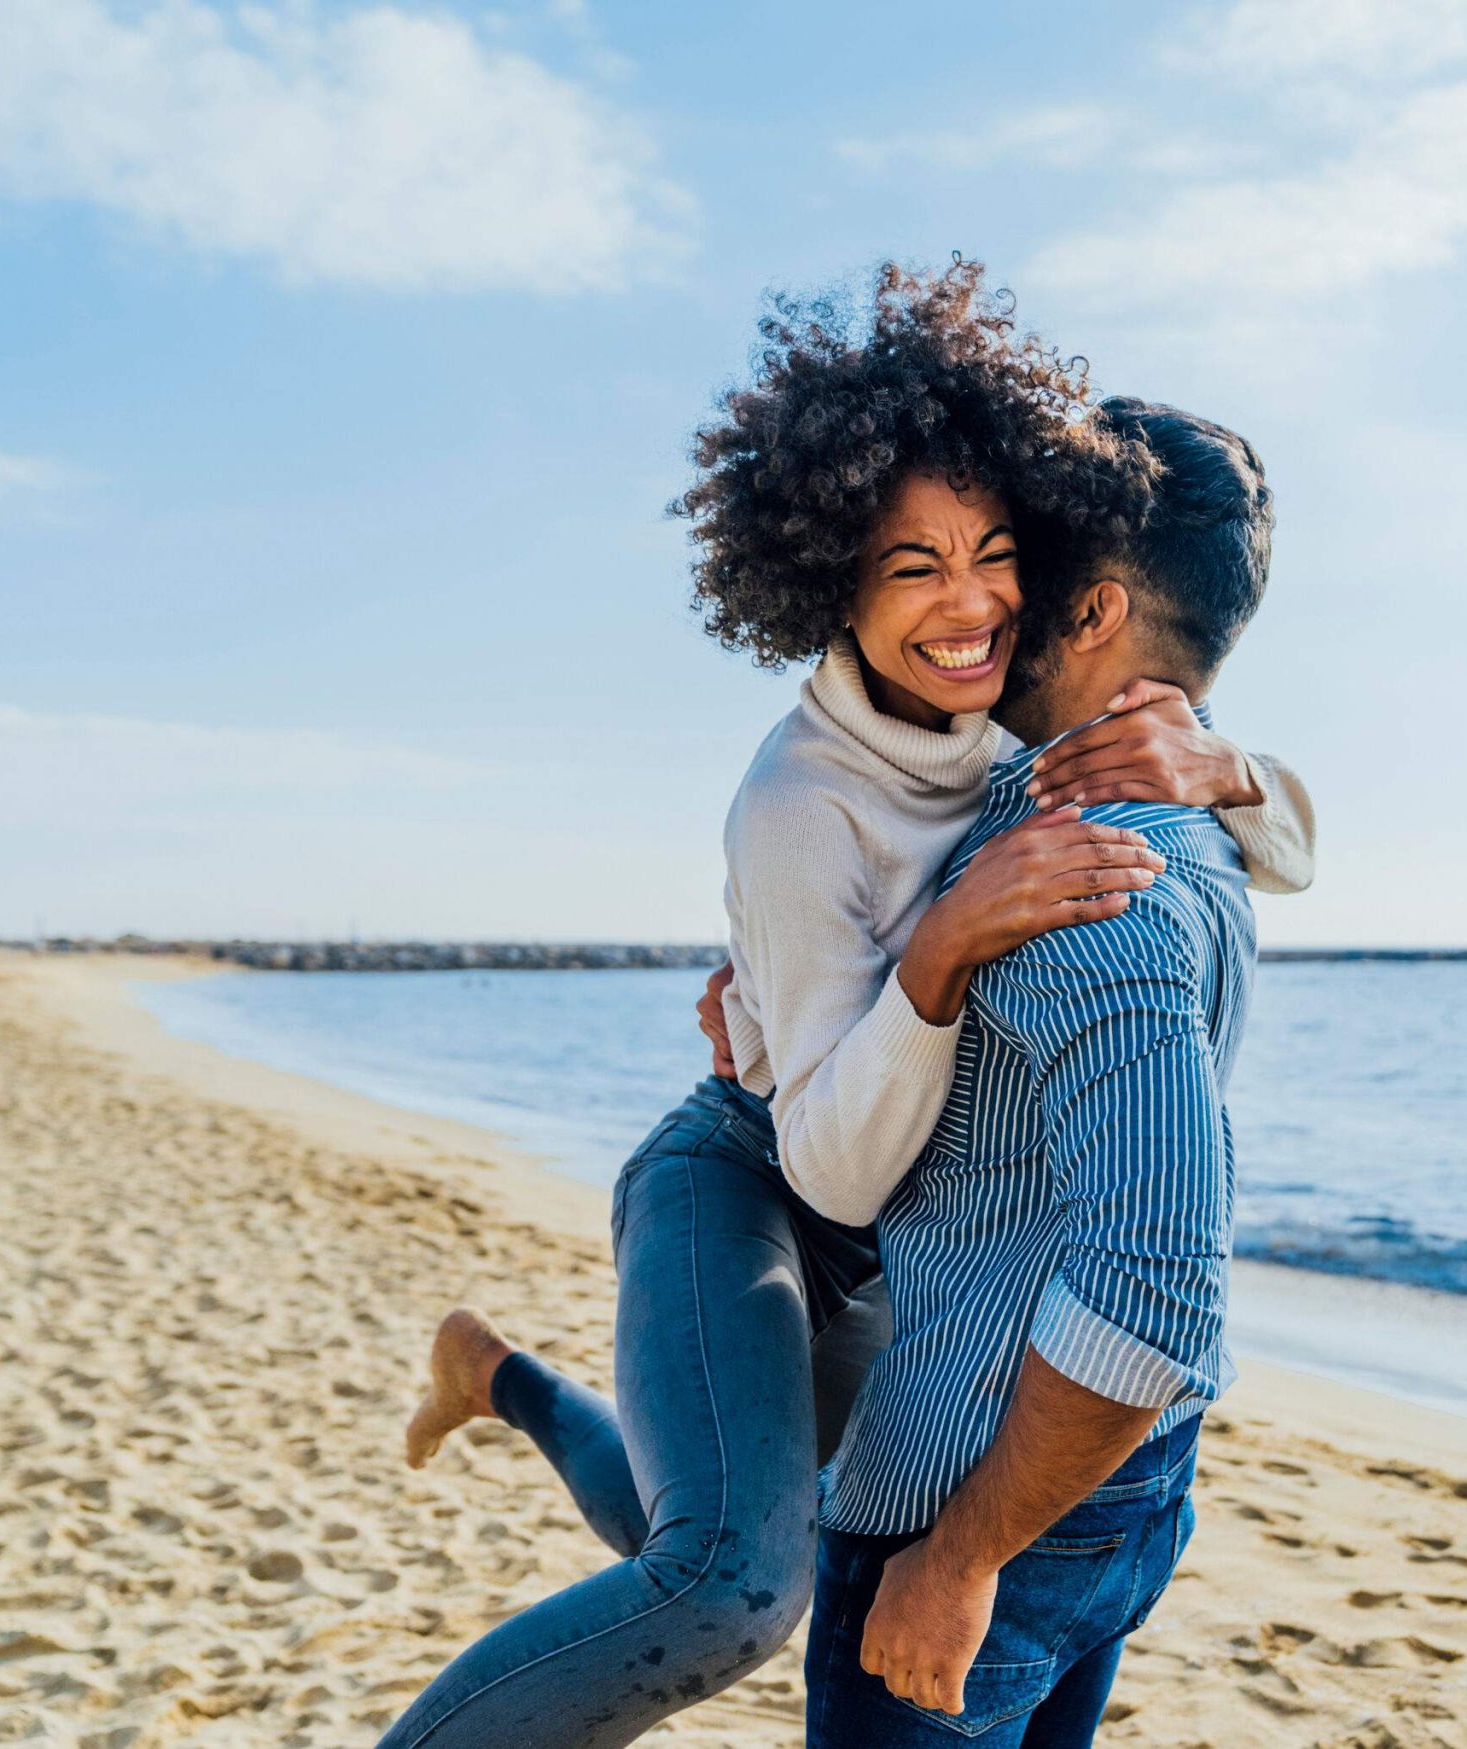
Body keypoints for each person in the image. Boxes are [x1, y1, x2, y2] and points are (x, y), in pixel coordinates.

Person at [376, 264, 1314, 1748]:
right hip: (764, 1160)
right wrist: (927, 959)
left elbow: (1232, 834)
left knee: (763, 1524)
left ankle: (497, 1376)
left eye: (1005, 554)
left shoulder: (1052, 774)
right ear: (833, 580)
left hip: (885, 1217)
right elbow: (829, 1154)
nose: (976, 605)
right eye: (913, 567)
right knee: (736, 1584)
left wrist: (1240, 771)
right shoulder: (808, 799)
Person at [790, 397, 1275, 1745]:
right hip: (1120, 1490)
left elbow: (1157, 1279)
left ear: (1096, 610)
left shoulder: (1079, 869)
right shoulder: (1198, 818)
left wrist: (958, 1561)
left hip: (983, 1505)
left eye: (1021, 557)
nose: (989, 596)